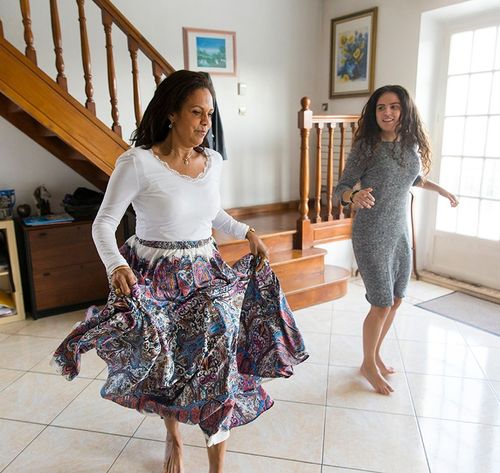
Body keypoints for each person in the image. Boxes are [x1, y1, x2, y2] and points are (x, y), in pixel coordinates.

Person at [52, 70, 308, 473]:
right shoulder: (137, 163)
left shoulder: (213, 162)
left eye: (209, 113)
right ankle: (173, 435)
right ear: (172, 113)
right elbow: (103, 223)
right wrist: (116, 264)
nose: (205, 122)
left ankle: (216, 465)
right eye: (196, 112)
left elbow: (211, 212)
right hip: (154, 275)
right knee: (167, 363)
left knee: (221, 361)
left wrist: (246, 232)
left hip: (205, 270)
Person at [335, 85, 458, 396]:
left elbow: (412, 177)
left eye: (393, 107)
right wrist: (354, 195)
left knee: (398, 297)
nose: (386, 113)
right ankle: (367, 363)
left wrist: (440, 190)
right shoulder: (367, 147)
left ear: (404, 111)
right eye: (380, 107)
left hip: (399, 232)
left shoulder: (410, 146)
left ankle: (375, 354)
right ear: (374, 113)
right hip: (372, 233)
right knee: (381, 302)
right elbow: (341, 187)